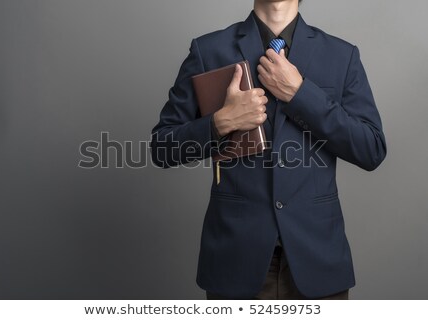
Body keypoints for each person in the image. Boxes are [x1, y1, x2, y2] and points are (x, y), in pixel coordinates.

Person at [150, 0, 386, 299]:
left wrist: (301, 94)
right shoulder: (207, 50)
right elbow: (162, 148)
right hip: (234, 260)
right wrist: (220, 123)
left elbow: (371, 149)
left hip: (318, 260)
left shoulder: (342, 55)